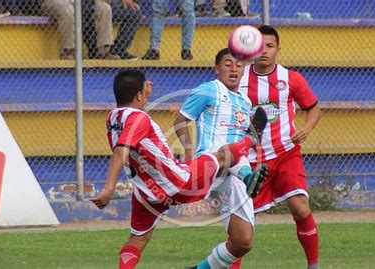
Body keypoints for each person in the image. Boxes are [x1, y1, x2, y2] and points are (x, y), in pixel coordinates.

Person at [91, 69, 267, 269]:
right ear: (138, 95)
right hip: (176, 182)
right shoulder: (139, 119)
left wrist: (144, 93)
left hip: (145, 192)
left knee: (138, 239)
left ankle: (247, 176)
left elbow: (125, 142)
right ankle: (250, 139)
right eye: (144, 90)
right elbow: (122, 149)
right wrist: (109, 188)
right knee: (222, 154)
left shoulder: (112, 119)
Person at [236, 25, 322, 269]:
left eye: (270, 46)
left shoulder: (291, 78)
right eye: (259, 46)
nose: (264, 51)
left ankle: (313, 265)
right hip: (251, 160)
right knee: (242, 224)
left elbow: (314, 108)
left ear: (278, 50)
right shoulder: (238, 78)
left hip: (286, 153)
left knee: (300, 207)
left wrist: (307, 127)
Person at [174, 48, 268, 268]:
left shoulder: (245, 102)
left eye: (238, 64)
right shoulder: (208, 90)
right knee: (232, 151)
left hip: (236, 169)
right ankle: (249, 178)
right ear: (217, 69)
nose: (234, 68)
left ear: (244, 69)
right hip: (212, 161)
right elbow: (180, 120)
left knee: (242, 242)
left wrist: (253, 137)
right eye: (227, 64)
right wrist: (189, 151)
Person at [42, 0, 118, 59]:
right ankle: (67, 51)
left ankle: (103, 51)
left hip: (79, 3)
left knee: (105, 8)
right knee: (68, 10)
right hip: (54, 2)